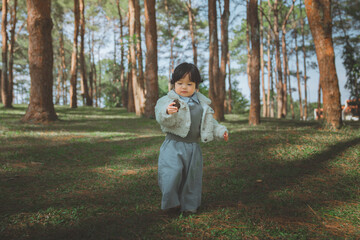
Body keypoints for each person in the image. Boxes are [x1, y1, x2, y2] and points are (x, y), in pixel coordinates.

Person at [155, 62, 229, 214]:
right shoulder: (168, 100)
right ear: (173, 83)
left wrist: (221, 131)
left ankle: (189, 206)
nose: (184, 87)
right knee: (171, 173)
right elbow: (160, 114)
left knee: (192, 178)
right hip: (173, 145)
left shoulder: (202, 104)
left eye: (189, 84)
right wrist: (167, 111)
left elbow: (210, 123)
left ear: (196, 86)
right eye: (179, 83)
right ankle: (170, 203)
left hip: (193, 148)